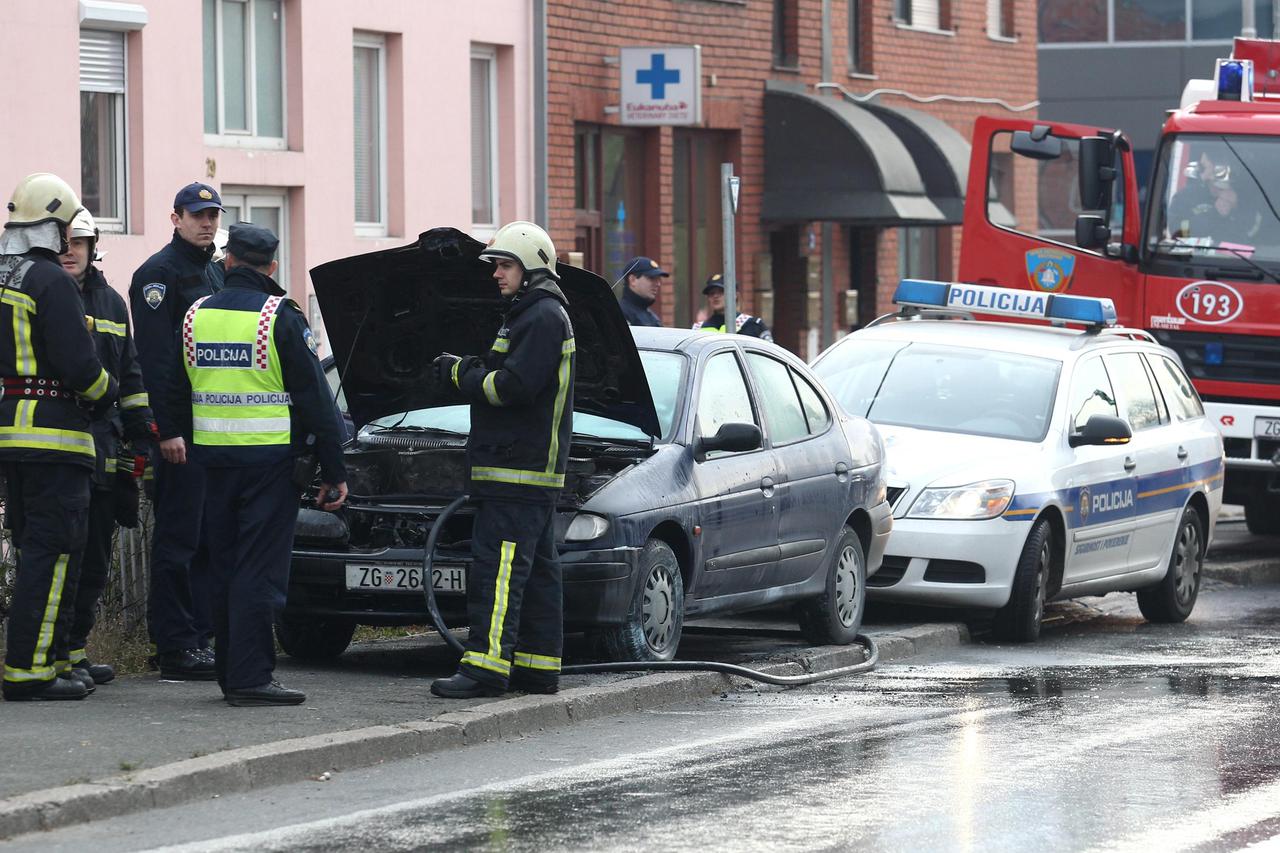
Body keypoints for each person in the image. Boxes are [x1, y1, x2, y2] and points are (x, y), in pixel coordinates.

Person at [170, 223, 347, 706]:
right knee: (257, 572)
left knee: (223, 568)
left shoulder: (195, 316)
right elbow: (316, 401)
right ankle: (250, 679)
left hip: (210, 465)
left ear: (227, 262)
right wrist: (334, 470)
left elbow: (174, 387)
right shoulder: (279, 316)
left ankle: (231, 672)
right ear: (271, 267)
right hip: (269, 466)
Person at [429, 221, 575, 699]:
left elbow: (512, 387)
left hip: (518, 469)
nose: (496, 274)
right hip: (525, 470)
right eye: (495, 265)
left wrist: (460, 375)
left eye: (505, 264)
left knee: (501, 568)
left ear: (532, 266)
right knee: (536, 573)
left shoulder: (541, 316)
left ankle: (485, 668)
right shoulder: (531, 314)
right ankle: (537, 666)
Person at [0, 173, 118, 701]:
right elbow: (82, 368)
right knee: (53, 552)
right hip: (57, 438)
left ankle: (46, 659)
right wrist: (107, 390)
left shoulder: (4, 276)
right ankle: (29, 669)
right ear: (52, 226)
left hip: (11, 435)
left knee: (31, 551)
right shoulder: (51, 283)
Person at [130, 181, 226, 680]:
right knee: (178, 540)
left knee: (207, 537)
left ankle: (200, 638)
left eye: (212, 214)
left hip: (210, 429)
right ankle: (174, 645)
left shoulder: (212, 269)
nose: (206, 222)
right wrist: (166, 430)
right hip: (179, 431)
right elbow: (156, 362)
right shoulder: (158, 275)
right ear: (176, 218)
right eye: (197, 214)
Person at [58, 209, 156, 686]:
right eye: (62, 243)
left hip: (102, 453)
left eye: (78, 243)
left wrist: (142, 437)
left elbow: (131, 377)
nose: (69, 252)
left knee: (94, 560)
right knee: (61, 556)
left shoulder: (112, 303)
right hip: (55, 451)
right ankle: (53, 656)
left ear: (93, 247)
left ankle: (74, 653)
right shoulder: (39, 296)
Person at [692, 273, 773, 340]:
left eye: (721, 291)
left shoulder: (753, 325)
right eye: (711, 293)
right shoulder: (697, 329)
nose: (715, 296)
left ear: (735, 295)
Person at [617, 256, 667, 327]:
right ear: (633, 280)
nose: (658, 284)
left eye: (658, 279)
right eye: (652, 278)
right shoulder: (619, 313)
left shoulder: (651, 316)